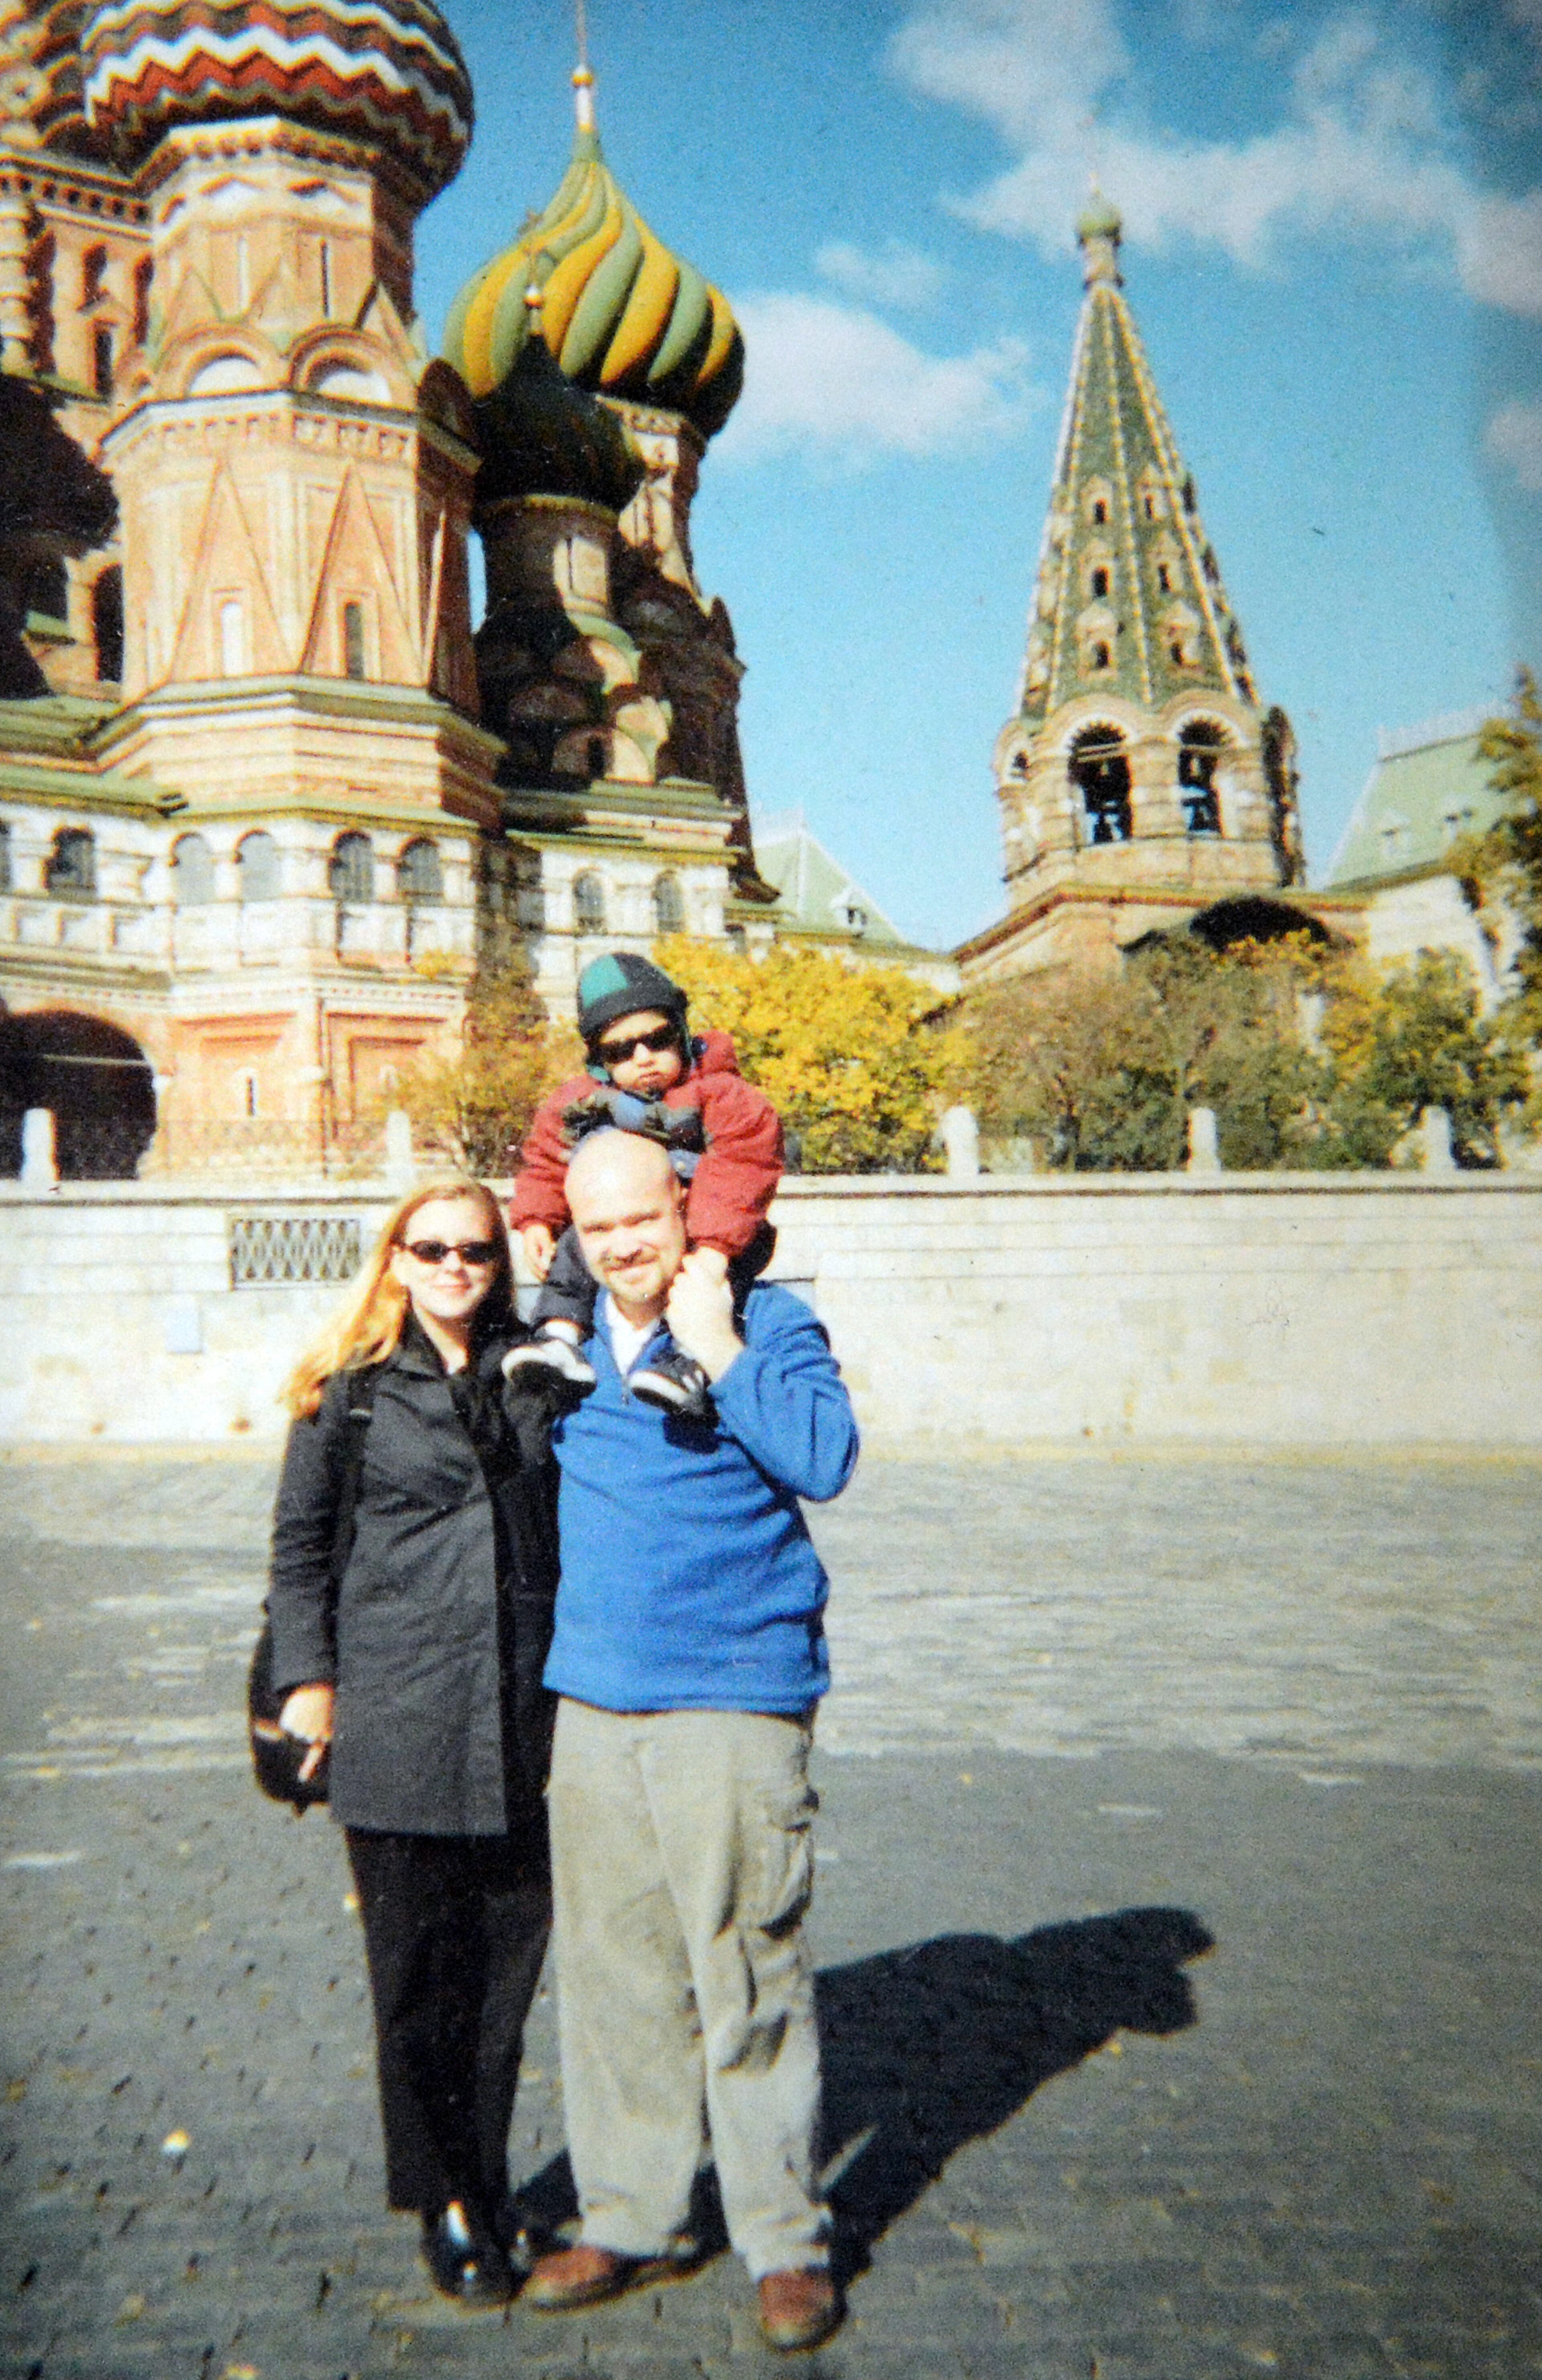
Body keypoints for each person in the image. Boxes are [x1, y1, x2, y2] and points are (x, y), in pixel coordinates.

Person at [522, 1128, 860, 2353]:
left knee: (746, 1968)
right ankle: (630, 2211)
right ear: (573, 1231)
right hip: (595, 1698)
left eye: (641, 1218)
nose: (621, 1244)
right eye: (595, 1225)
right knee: (616, 1972)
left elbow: (824, 1458)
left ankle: (783, 2240)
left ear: (687, 1207)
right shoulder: (555, 1351)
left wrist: (716, 1343)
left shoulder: (766, 1325)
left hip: (731, 1692)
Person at [266, 1177, 558, 2307]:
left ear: (499, 1262)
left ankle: (486, 2179)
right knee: (419, 1983)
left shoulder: (541, 1374)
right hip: (398, 1717)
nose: (453, 1267)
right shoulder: (345, 1395)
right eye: (430, 1248)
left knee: (503, 1983)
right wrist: (311, 1679)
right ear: (395, 1257)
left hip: (526, 1717)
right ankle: (440, 2197)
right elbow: (297, 1552)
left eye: (475, 1251)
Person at [505, 951, 783, 1420]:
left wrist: (714, 1249)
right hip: (632, 1225)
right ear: (600, 1060)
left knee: (712, 1286)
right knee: (579, 1244)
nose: (643, 1058)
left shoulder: (719, 1093)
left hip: (714, 1229)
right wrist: (536, 1218)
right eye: (621, 1050)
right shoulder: (585, 1102)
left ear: (682, 1032)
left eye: (658, 1039)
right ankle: (559, 1336)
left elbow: (743, 1166)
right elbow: (548, 1156)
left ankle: (689, 1362)